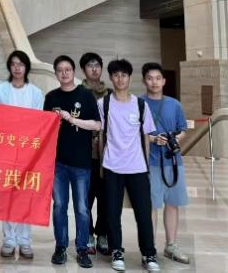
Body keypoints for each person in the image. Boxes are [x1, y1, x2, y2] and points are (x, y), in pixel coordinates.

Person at [99, 59, 159, 272]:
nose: (120, 79)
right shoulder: (103, 104)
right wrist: (102, 166)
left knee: (143, 214)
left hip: (137, 168)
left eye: (124, 75)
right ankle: (117, 250)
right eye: (116, 75)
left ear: (129, 78)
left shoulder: (140, 105)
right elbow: (101, 135)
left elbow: (146, 138)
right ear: (111, 78)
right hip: (112, 166)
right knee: (112, 213)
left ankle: (148, 253)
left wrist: (147, 166)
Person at [44, 54, 101, 268]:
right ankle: (60, 247)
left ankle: (82, 249)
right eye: (60, 70)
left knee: (82, 208)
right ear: (56, 74)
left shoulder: (85, 95)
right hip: (57, 162)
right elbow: (44, 128)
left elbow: (97, 125)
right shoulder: (51, 97)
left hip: (81, 163)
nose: (64, 73)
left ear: (73, 71)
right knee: (59, 205)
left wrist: (72, 119)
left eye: (67, 70)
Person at [0, 50, 44, 260]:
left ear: (26, 67)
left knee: (26, 196)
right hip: (6, 150)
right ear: (9, 66)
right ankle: (9, 239)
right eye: (14, 64)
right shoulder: (0, 90)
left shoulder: (35, 93)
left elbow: (39, 123)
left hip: (29, 152)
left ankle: (25, 240)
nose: (17, 68)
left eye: (21, 64)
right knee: (8, 195)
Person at [142, 62, 190, 264]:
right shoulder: (139, 103)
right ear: (144, 81)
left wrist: (174, 139)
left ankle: (171, 245)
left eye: (157, 78)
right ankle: (150, 248)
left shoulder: (175, 104)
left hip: (173, 162)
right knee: (151, 205)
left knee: (172, 203)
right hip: (150, 162)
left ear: (164, 81)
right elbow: (134, 132)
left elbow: (183, 129)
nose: (154, 82)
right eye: (150, 78)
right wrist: (153, 139)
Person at [80, 51, 110, 256]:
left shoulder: (110, 93)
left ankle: (102, 234)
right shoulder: (79, 93)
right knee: (86, 197)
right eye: (90, 65)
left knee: (106, 197)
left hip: (108, 154)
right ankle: (88, 234)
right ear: (84, 70)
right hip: (85, 153)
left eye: (97, 65)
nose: (94, 69)